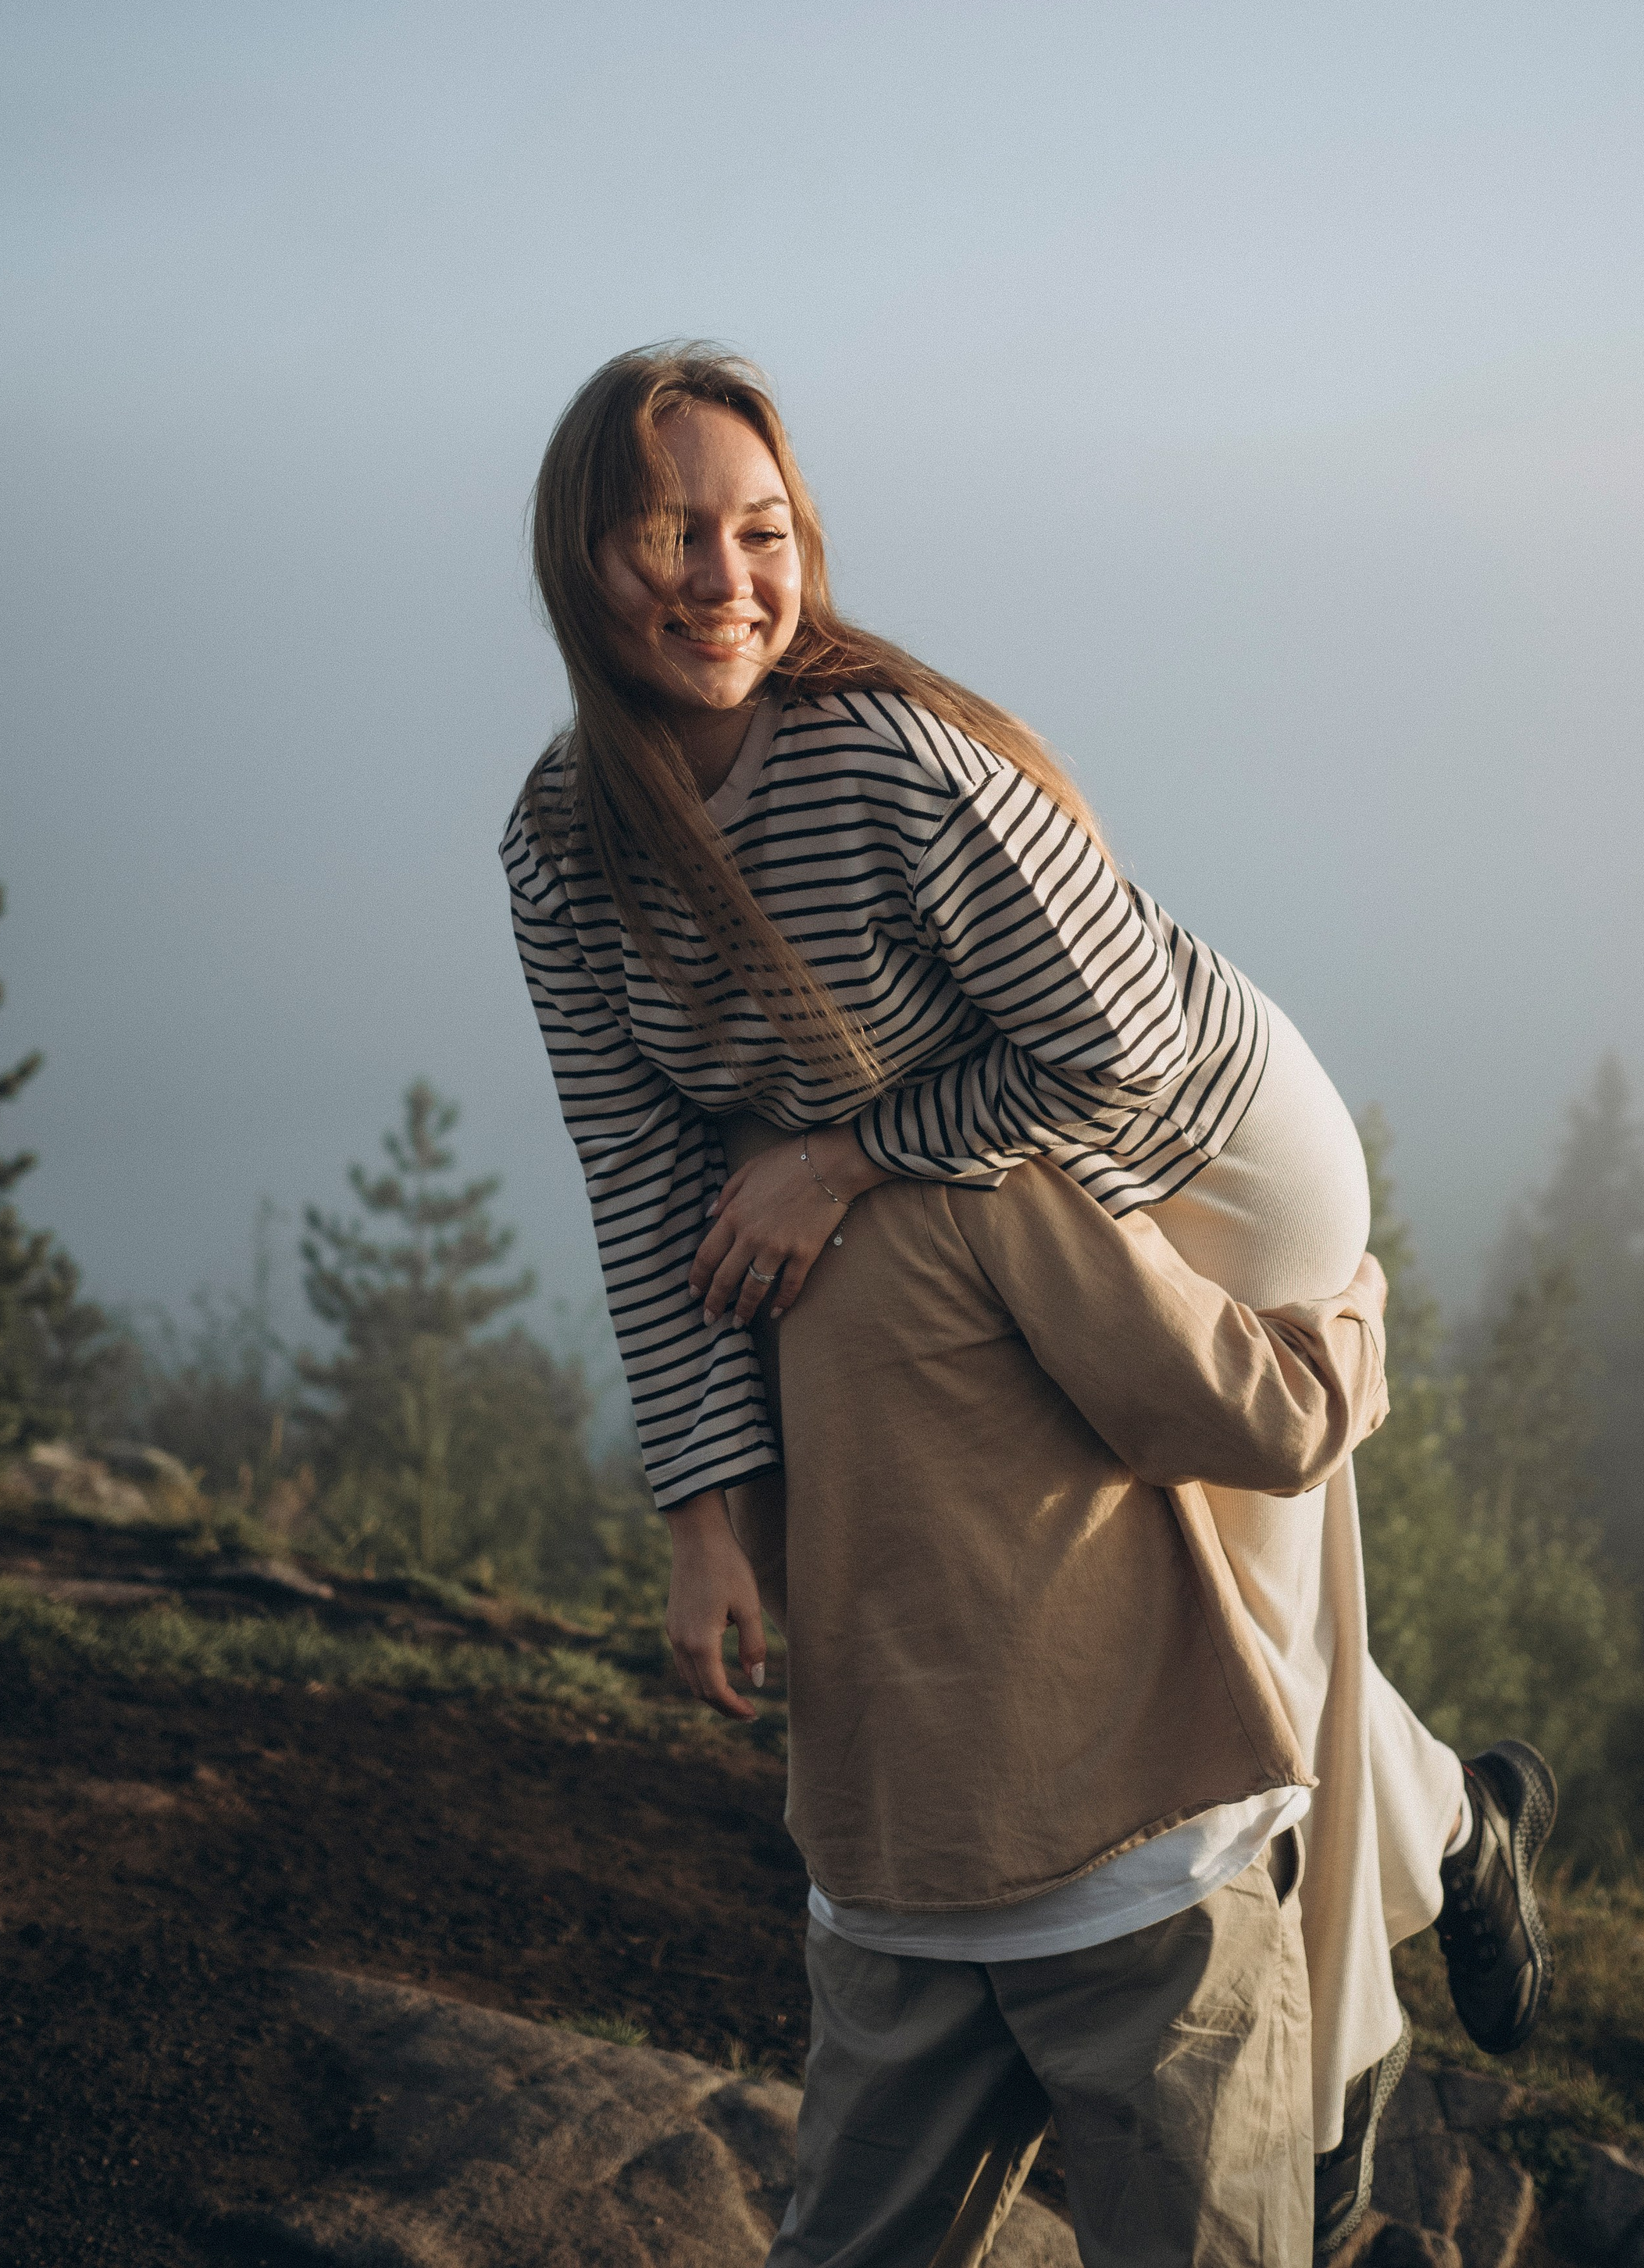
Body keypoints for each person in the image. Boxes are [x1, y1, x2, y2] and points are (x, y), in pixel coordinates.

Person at [501, 344, 1556, 2238]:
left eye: (763, 533)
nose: (727, 579)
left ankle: (1327, 2095)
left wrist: (844, 1156)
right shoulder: (558, 845)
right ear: (581, 561)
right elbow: (644, 1184)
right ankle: (1457, 1833)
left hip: (1202, 1151)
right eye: (672, 534)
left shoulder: (884, 766)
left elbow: (1124, 1045)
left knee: (1220, 1659)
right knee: (1216, 1644)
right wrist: (704, 1517)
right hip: (980, 1173)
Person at [720, 1113, 1392, 2263]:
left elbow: (773, 1534)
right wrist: (1360, 1302)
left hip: (889, 1854)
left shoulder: (739, 1207)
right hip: (1137, 1864)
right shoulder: (996, 1188)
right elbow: (1275, 1419)